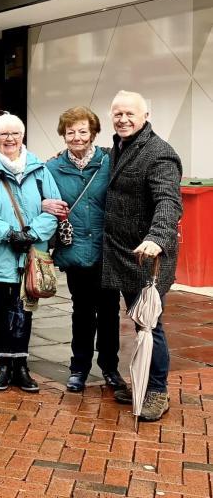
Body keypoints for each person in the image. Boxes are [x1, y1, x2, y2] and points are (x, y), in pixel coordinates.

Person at [101, 91, 182, 422]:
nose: (123, 119)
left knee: (149, 324)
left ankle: (157, 392)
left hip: (146, 257)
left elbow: (168, 201)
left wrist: (157, 237)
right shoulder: (119, 147)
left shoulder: (160, 153)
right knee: (136, 323)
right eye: (117, 113)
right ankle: (141, 381)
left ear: (146, 115)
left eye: (129, 114)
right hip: (119, 252)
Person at [43, 107, 131, 401]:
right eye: (70, 132)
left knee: (108, 312)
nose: (77, 137)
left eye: (83, 131)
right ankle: (78, 368)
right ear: (63, 135)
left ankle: (110, 368)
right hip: (76, 251)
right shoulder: (52, 168)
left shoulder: (110, 161)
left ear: (93, 133)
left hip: (108, 251)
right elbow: (38, 197)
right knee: (81, 312)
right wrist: (44, 205)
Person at [0, 112, 60, 393]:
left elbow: (54, 208)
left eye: (14, 133)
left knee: (25, 312)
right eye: (3, 134)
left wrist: (32, 234)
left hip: (31, 255)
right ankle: (3, 365)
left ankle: (21, 365)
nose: (9, 139)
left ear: (23, 136)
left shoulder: (41, 170)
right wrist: (10, 234)